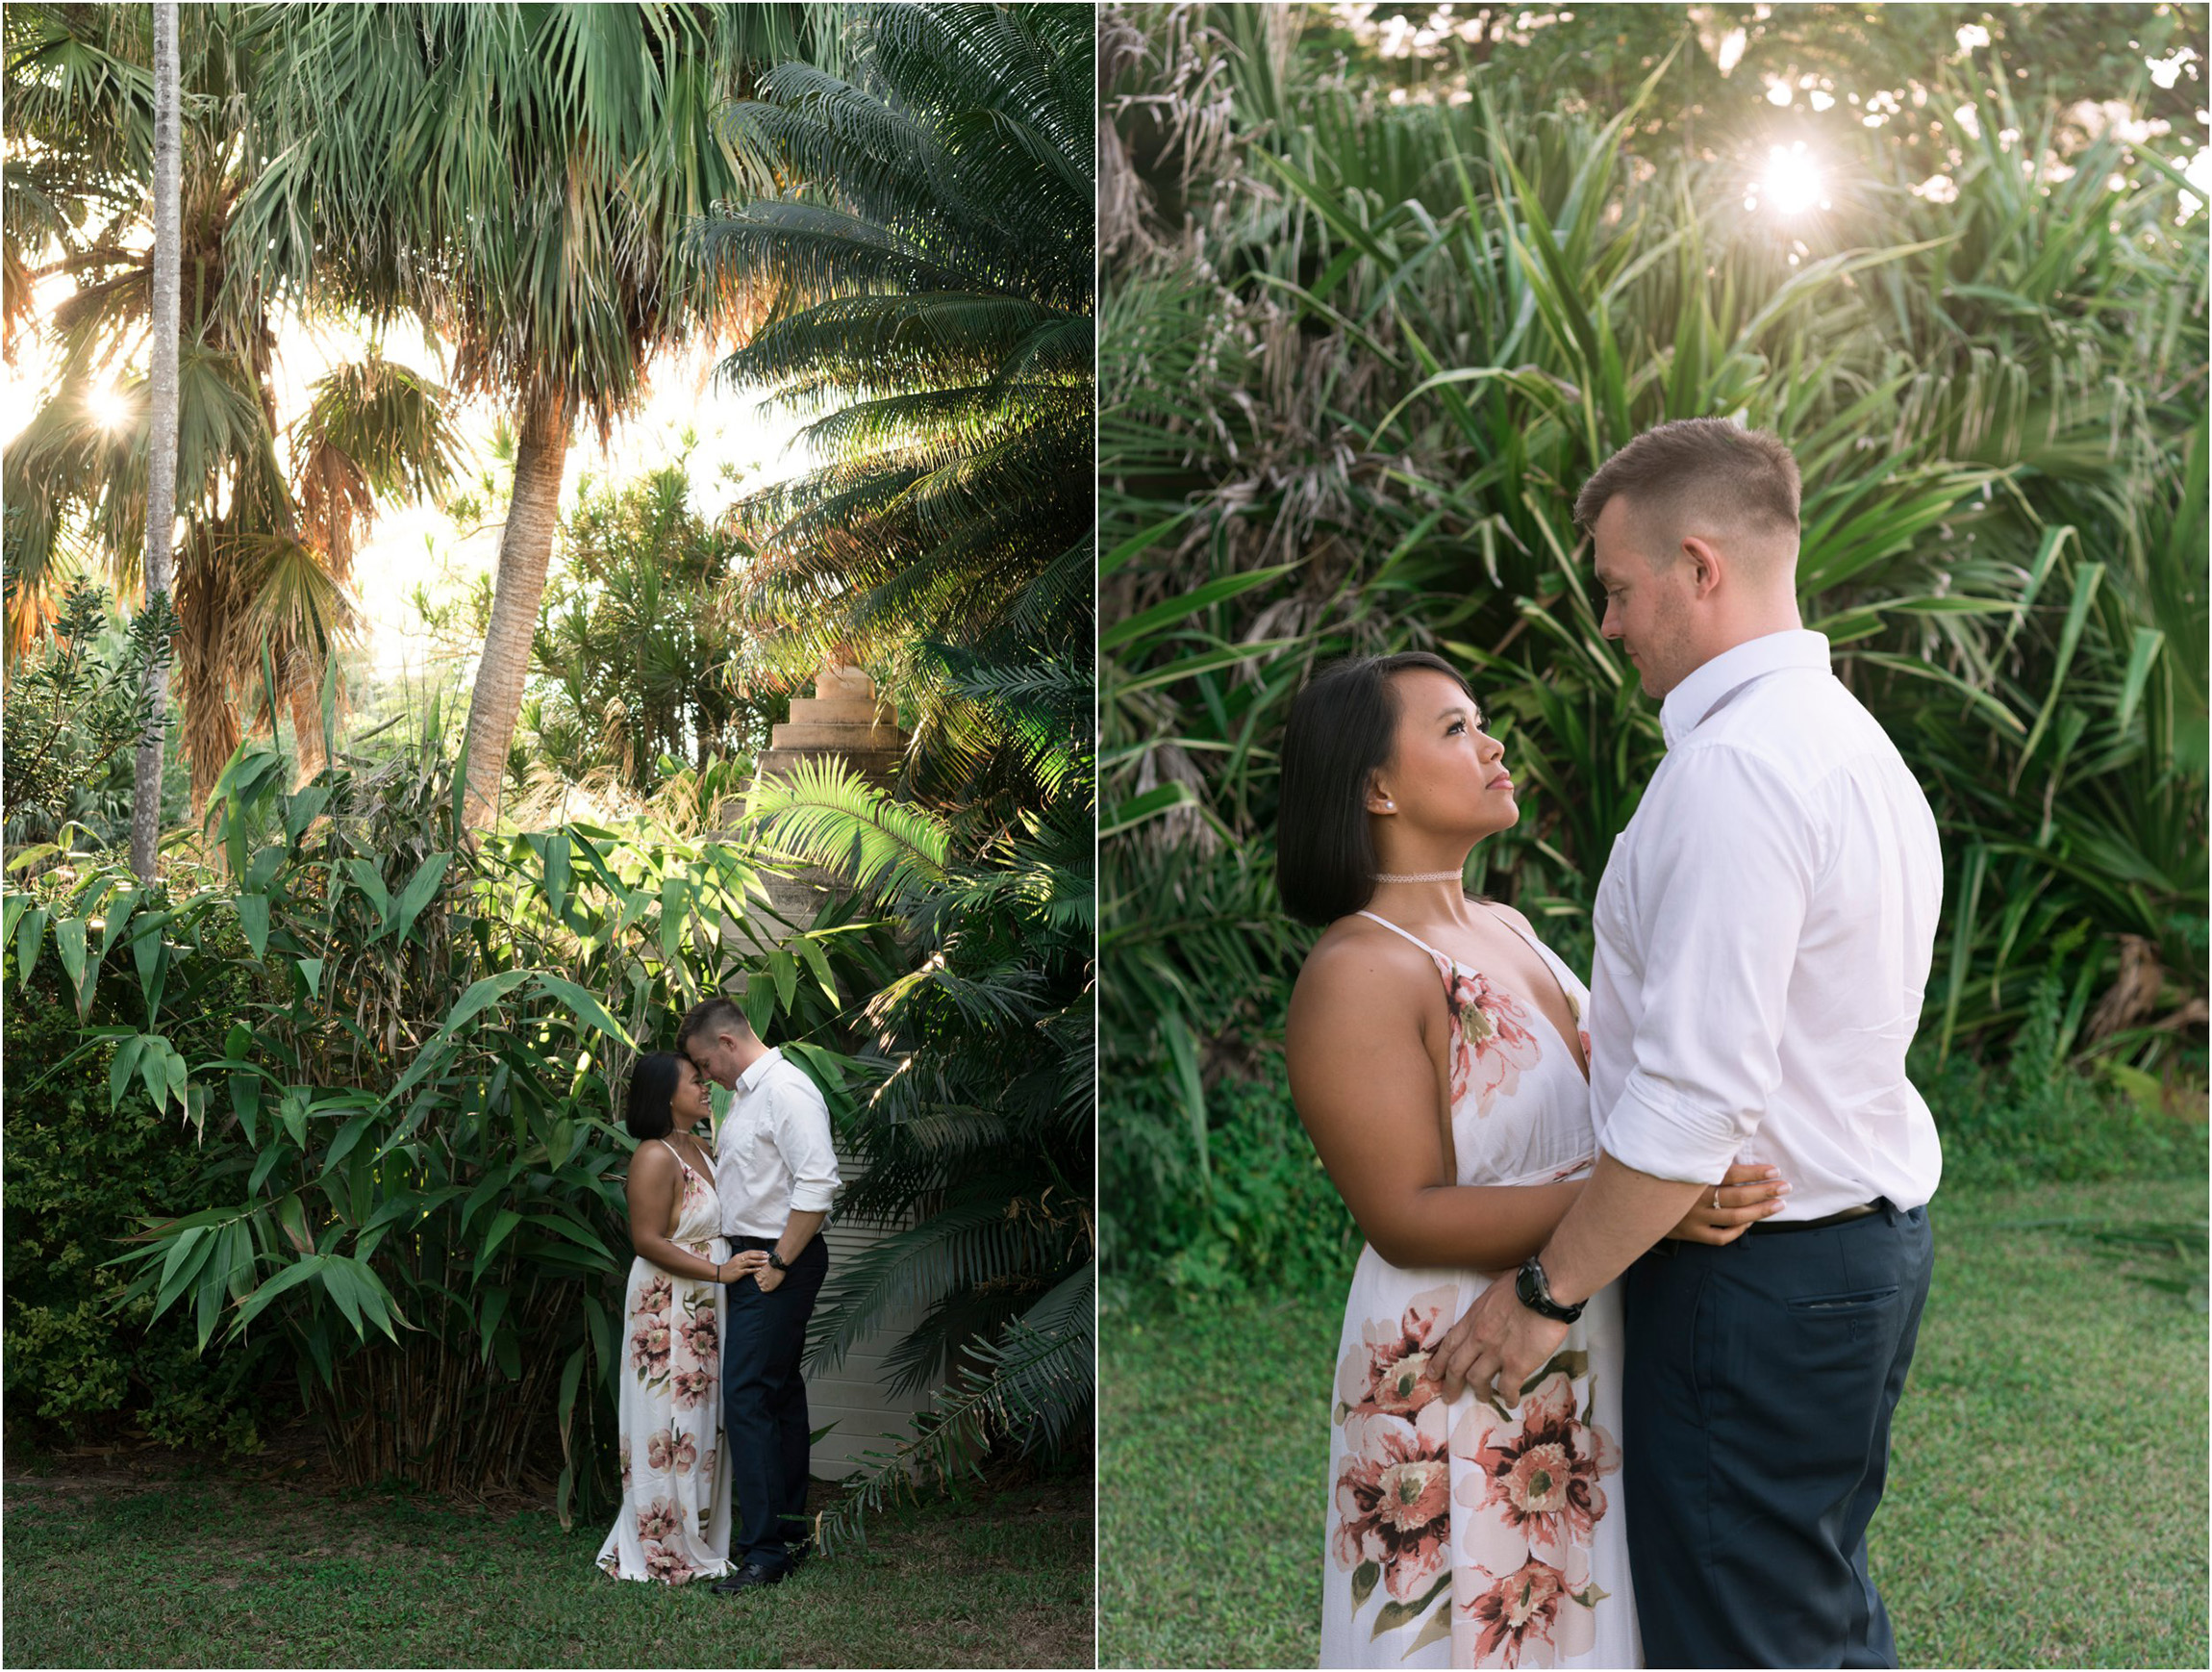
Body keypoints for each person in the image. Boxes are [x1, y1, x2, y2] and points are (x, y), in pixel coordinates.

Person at [1427, 418, 1944, 1669]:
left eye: (1616, 586)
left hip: (1757, 1283)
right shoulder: (1844, 743)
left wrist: (1547, 1292)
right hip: (1846, 1255)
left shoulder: (1740, 771)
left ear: (1699, 566)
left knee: (1741, 1639)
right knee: (1807, 1614)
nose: (1608, 624)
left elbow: (1698, 1094)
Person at [1278, 650, 1790, 1668]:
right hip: (1453, 1352)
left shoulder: (1502, 925)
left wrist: (1648, 1194)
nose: (1492, 742)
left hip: (1573, 1318)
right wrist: (1640, 1204)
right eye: (1456, 728)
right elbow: (1402, 1212)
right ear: (1376, 787)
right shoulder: (1357, 969)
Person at [679, 995, 841, 1593]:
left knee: (746, 1396)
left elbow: (818, 1182)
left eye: (704, 1062)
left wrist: (779, 1262)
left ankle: (765, 1552)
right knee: (776, 1396)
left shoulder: (786, 1091)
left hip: (778, 1258)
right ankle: (791, 1535)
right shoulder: (746, 1098)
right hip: (756, 1258)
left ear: (727, 1042)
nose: (704, 1076)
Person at [596, 1050, 763, 1583]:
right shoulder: (653, 1155)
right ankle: (662, 1542)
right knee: (666, 1419)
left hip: (704, 1306)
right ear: (667, 1094)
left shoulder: (698, 1147)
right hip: (667, 1305)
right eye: (695, 1080)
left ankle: (698, 1531)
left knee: (700, 1418)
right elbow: (645, 1241)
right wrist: (719, 1275)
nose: (705, 1086)